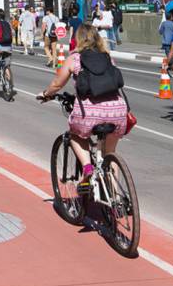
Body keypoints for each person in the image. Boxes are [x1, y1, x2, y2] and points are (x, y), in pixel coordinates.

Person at [38, 24, 129, 186]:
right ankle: (116, 196)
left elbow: (57, 84)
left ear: (78, 39)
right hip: (118, 111)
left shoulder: (74, 58)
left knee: (74, 134)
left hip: (90, 113)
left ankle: (87, 169)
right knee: (110, 153)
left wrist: (46, 94)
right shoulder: (108, 57)